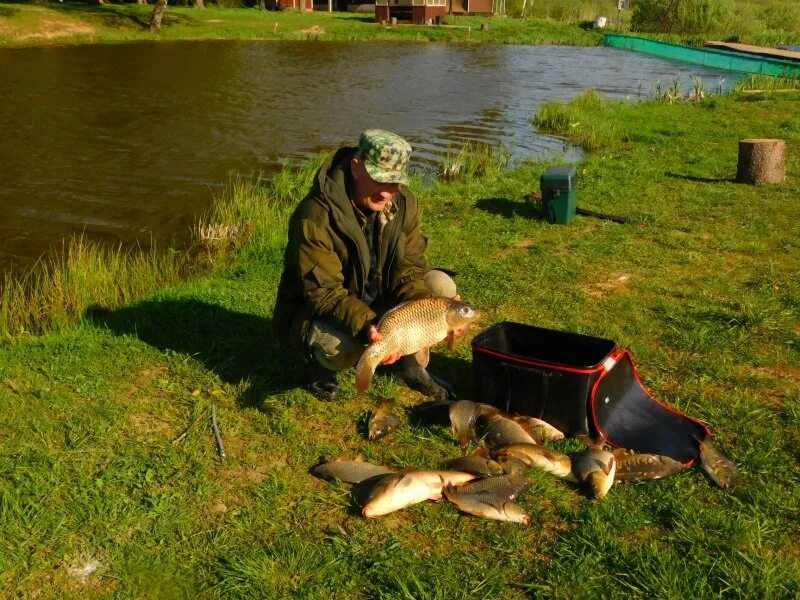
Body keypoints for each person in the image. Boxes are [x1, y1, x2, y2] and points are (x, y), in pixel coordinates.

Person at [273, 129, 462, 401]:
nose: (387, 192)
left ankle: (409, 364)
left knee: (442, 288)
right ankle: (320, 369)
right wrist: (371, 327)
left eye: (395, 182)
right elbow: (325, 293)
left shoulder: (405, 202)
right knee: (341, 348)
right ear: (356, 168)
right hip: (316, 309)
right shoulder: (315, 216)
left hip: (380, 302)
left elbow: (409, 268)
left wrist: (425, 311)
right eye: (380, 180)